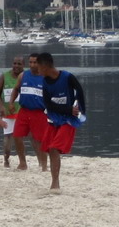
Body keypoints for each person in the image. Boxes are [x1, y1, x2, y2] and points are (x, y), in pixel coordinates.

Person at [35, 52, 86, 192]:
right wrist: (67, 109)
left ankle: (55, 184)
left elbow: (80, 92)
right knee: (49, 150)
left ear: (45, 66)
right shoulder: (45, 82)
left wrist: (80, 110)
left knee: (54, 148)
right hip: (54, 118)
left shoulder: (67, 77)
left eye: (38, 67)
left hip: (68, 120)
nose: (37, 71)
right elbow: (48, 105)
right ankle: (54, 181)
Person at [7, 53, 49, 172]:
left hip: (39, 112)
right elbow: (16, 89)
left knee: (39, 140)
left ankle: (44, 165)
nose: (32, 65)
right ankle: (22, 163)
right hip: (24, 110)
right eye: (30, 62)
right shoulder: (23, 75)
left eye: (35, 62)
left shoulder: (45, 77)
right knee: (17, 136)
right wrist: (11, 102)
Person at [0, 56, 24, 167]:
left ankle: (22, 161)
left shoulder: (25, 77)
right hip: (7, 113)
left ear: (23, 65)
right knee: (7, 139)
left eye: (19, 64)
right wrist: (1, 106)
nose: (16, 66)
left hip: (21, 112)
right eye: (14, 63)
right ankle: (6, 159)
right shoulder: (5, 76)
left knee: (20, 138)